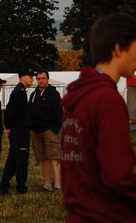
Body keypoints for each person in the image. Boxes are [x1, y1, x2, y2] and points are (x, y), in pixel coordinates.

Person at [61, 13, 136, 222]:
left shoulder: (77, 97)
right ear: (119, 48)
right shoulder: (107, 100)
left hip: (80, 213)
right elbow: (117, 175)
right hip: (106, 214)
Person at [0, 69, 35, 194]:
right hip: (19, 131)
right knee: (21, 160)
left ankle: (4, 186)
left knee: (13, 159)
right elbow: (11, 111)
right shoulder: (20, 92)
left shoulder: (19, 91)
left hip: (17, 130)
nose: (33, 79)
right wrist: (8, 127)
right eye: (31, 77)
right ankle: (21, 186)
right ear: (23, 77)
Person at [28, 70, 62, 192]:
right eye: (39, 78)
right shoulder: (33, 94)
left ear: (48, 79)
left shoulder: (54, 94)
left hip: (49, 131)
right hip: (36, 131)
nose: (41, 81)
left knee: (53, 157)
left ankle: (58, 184)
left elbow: (59, 112)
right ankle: (47, 184)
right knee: (43, 158)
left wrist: (54, 129)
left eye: (43, 78)